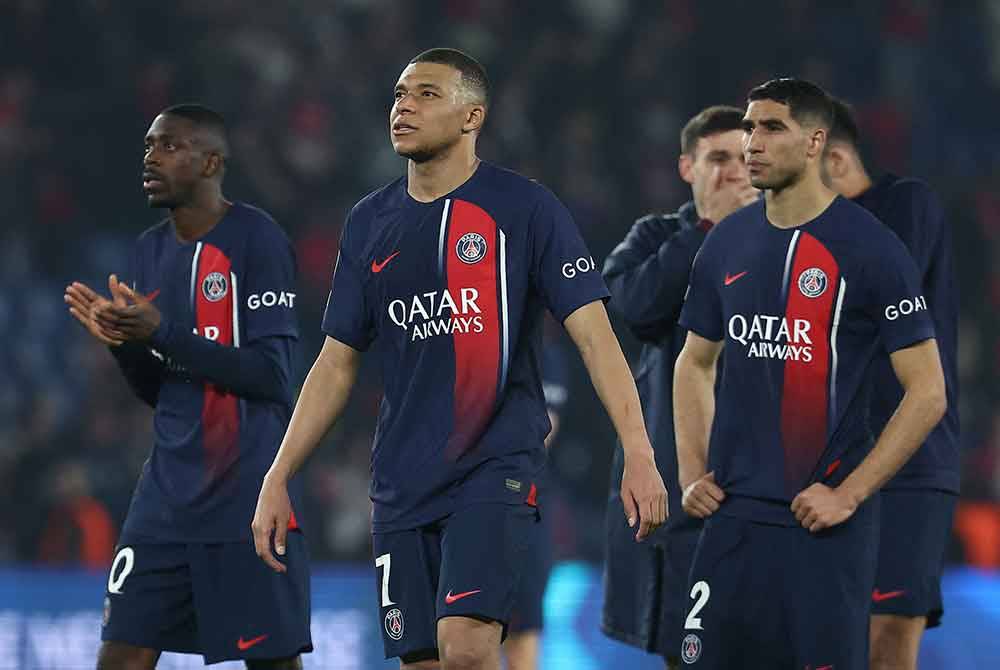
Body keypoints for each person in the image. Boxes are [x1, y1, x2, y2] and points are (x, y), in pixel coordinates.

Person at [250, 48, 667, 670]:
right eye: (398, 94)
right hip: (399, 482)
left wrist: (638, 448)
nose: (403, 107)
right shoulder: (369, 221)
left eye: (425, 94)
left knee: (468, 650)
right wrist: (277, 475)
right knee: (426, 663)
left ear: (472, 116)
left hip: (494, 467)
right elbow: (336, 363)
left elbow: (595, 337)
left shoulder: (525, 208)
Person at [673, 78, 947, 668]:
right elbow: (693, 362)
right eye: (749, 127)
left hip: (820, 527)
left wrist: (849, 494)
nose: (753, 142)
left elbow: (928, 392)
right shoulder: (727, 242)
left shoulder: (872, 249)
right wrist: (692, 470)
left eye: (773, 128)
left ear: (817, 142)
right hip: (733, 520)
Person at [64, 104, 310, 670]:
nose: (150, 157)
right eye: (148, 146)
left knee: (272, 663)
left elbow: (273, 376)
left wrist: (164, 333)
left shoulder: (257, 238)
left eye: (170, 146)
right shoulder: (148, 249)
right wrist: (124, 344)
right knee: (119, 656)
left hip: (244, 499)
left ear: (211, 162)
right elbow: (164, 390)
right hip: (164, 504)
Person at [601, 105, 756, 670]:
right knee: (689, 656)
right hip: (687, 490)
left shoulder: (791, 240)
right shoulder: (658, 236)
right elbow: (635, 308)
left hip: (771, 485)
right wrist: (709, 230)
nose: (735, 172)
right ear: (687, 167)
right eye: (718, 159)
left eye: (744, 158)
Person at [821, 97, 960, 670]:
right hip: (824, 462)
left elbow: (878, 281)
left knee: (887, 645)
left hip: (908, 461)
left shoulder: (907, 203)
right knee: (826, 646)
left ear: (829, 156)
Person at [502, 333, 570, 670]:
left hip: (526, 497)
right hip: (462, 499)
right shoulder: (465, 341)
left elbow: (547, 428)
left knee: (525, 623)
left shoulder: (546, 354)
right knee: (464, 628)